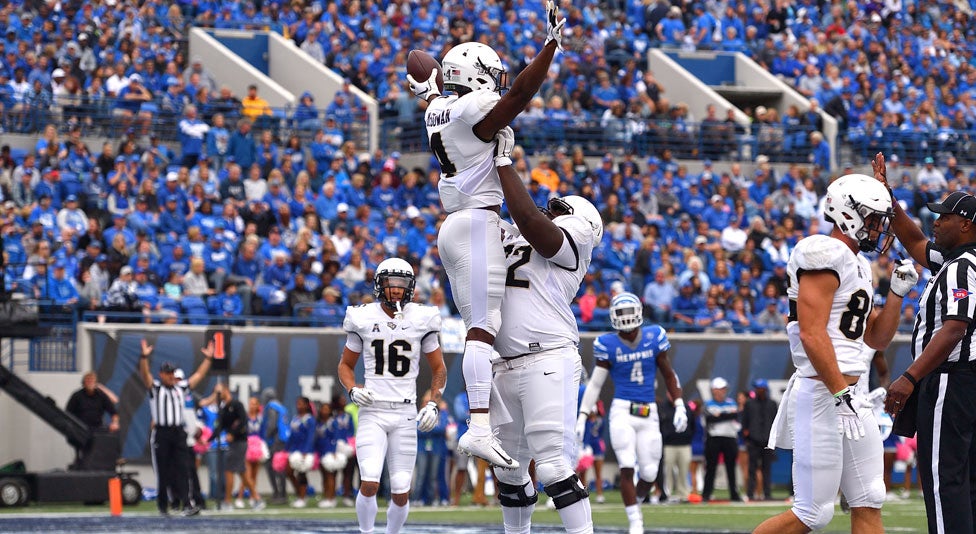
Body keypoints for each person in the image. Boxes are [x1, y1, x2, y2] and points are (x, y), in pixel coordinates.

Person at [405, 1, 566, 470]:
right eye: (489, 77)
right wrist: (550, 46)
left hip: (460, 223)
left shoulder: (438, 106)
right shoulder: (471, 109)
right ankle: (478, 427)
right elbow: (517, 96)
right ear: (476, 75)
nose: (494, 86)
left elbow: (433, 89)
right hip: (475, 221)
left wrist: (428, 79)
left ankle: (483, 424)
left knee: (483, 326)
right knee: (482, 329)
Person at [754, 171, 917, 534]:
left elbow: (875, 338)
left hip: (852, 396)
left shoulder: (858, 262)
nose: (880, 228)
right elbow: (812, 334)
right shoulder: (822, 252)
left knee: (870, 497)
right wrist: (839, 393)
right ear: (849, 213)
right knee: (813, 512)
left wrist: (896, 294)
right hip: (824, 393)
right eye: (874, 219)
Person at [485, 128, 601, 534]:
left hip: (548, 356)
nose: (550, 209)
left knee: (552, 466)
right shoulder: (514, 232)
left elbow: (532, 220)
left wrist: (503, 162)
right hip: (502, 363)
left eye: (559, 206)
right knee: (509, 474)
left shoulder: (573, 240)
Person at [875, 153, 976, 533]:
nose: (936, 221)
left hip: (952, 377)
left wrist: (910, 377)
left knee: (942, 481)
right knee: (966, 483)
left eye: (945, 216)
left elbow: (954, 328)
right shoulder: (959, 259)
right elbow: (915, 241)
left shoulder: (961, 265)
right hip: (966, 379)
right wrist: (888, 196)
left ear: (965, 224)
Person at [337, 257, 447, 534]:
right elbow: (345, 366)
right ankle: (366, 532)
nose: (396, 289)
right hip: (373, 410)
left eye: (401, 284)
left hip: (406, 412)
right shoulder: (362, 317)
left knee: (400, 490)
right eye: (391, 283)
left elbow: (439, 369)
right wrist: (352, 389)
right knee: (370, 481)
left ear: (410, 287)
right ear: (379, 285)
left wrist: (433, 403)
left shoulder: (423, 318)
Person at [576, 291, 687, 534]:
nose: (626, 318)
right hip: (622, 411)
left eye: (629, 312)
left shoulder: (654, 336)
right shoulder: (608, 344)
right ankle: (635, 522)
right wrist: (583, 415)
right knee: (627, 465)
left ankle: (634, 504)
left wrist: (679, 404)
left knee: (649, 473)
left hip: (650, 412)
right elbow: (595, 384)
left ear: (638, 312)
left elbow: (669, 374)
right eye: (621, 313)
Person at [137, 338, 214, 517]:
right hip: (162, 432)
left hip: (178, 432)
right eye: (167, 373)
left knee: (183, 469)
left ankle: (187, 504)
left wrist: (208, 359)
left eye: (172, 372)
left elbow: (198, 376)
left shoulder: (181, 388)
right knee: (163, 470)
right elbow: (145, 375)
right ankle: (164, 505)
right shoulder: (156, 389)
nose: (171, 376)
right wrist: (144, 357)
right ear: (161, 374)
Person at [702, 377, 741, 503]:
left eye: (724, 389)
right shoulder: (708, 404)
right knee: (711, 467)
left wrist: (719, 415)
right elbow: (709, 419)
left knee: (731, 467)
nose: (722, 392)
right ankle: (706, 494)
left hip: (729, 438)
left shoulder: (731, 402)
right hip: (713, 438)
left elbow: (734, 415)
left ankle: (734, 494)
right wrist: (725, 415)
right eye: (719, 389)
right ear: (714, 390)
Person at [212, 381, 247, 511]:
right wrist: (207, 439)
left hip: (240, 442)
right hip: (233, 444)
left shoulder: (237, 404)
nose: (218, 395)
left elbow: (243, 421)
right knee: (242, 472)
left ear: (226, 390)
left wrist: (233, 433)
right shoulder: (223, 409)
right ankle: (256, 498)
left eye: (219, 392)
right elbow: (219, 427)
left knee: (228, 470)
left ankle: (227, 501)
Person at [741, 378, 777, 501]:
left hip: (767, 441)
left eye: (760, 388)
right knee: (752, 468)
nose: (758, 390)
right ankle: (750, 493)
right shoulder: (749, 404)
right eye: (757, 388)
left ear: (765, 389)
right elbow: (744, 421)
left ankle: (767, 493)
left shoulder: (772, 404)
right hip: (753, 440)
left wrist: (774, 438)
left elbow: (775, 421)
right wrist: (746, 434)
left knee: (767, 469)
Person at [260, 387, 290, 504]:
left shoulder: (272, 407)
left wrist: (266, 437)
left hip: (276, 441)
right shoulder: (281, 406)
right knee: (280, 467)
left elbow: (272, 424)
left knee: (273, 468)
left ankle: (279, 494)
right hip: (283, 440)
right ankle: (281, 494)